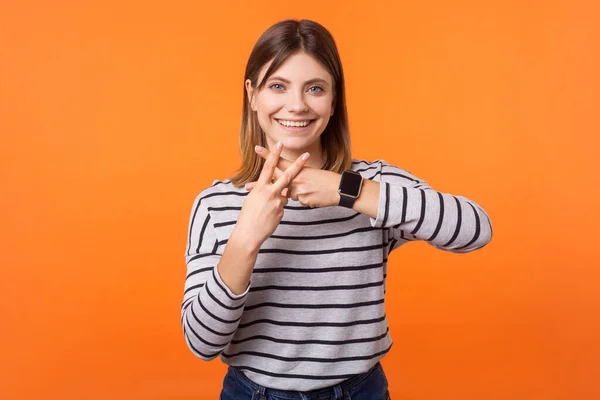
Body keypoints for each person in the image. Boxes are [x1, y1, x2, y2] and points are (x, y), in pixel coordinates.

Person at [181, 19, 493, 400]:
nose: (296, 105)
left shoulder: (371, 184)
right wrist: (246, 236)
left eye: (315, 88)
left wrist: (347, 189)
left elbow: (475, 230)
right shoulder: (216, 204)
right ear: (252, 95)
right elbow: (202, 343)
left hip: (360, 392)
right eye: (277, 86)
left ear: (333, 101)